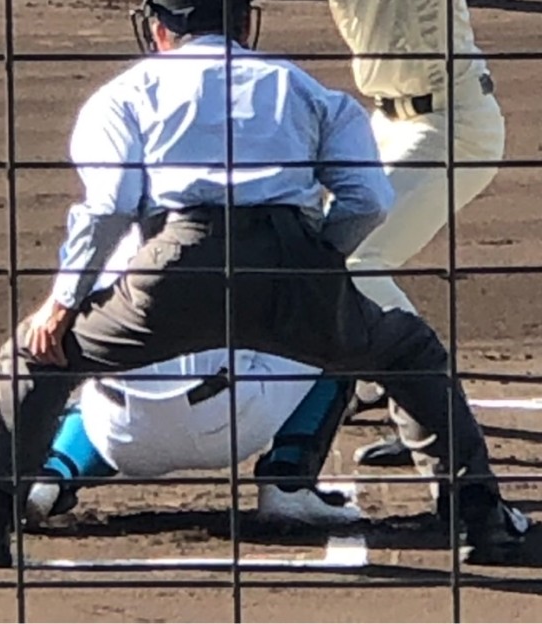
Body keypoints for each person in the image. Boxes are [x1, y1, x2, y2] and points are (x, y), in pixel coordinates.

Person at [0, 0, 527, 568]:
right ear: (244, 25)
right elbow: (367, 199)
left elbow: (108, 209)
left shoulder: (126, 93)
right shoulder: (301, 87)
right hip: (290, 261)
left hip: (173, 263)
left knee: (33, 356)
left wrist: (62, 303)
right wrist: (317, 261)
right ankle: (478, 519)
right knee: (407, 353)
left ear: (158, 28)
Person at [265, 0, 506, 461]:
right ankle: (376, 367)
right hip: (381, 123)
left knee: (352, 259)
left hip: (450, 121)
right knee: (317, 242)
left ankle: (416, 397)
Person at [22, 225, 360, 532]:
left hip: (119, 432)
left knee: (107, 379)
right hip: (230, 425)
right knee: (336, 326)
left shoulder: (110, 236)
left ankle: (53, 474)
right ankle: (288, 482)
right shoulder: (254, 231)